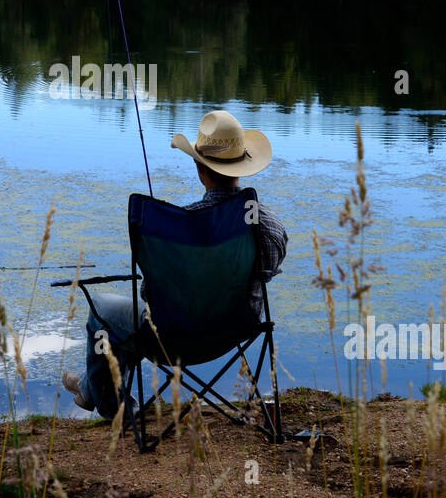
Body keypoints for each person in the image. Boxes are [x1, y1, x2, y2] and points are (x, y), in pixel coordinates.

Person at [62, 109, 287, 418]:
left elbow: (149, 295)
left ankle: (109, 403)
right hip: (237, 329)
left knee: (103, 312)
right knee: (128, 321)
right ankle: (90, 387)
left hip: (170, 338)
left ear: (199, 168)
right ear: (242, 168)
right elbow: (268, 272)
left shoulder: (177, 228)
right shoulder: (269, 225)